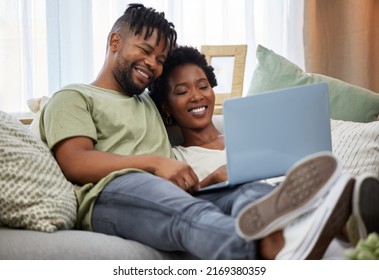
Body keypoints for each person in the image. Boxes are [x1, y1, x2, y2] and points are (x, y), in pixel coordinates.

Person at [40, 4, 354, 260]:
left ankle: (296, 241)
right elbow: (74, 160)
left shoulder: (149, 104)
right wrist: (155, 163)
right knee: (192, 216)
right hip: (111, 194)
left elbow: (189, 105)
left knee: (252, 195)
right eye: (146, 50)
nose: (152, 63)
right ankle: (271, 254)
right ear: (115, 42)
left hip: (171, 191)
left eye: (160, 59)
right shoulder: (74, 97)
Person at [149, 45, 379, 256]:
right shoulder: (177, 157)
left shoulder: (254, 133)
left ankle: (343, 222)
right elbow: (174, 206)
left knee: (327, 183)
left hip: (290, 193)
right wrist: (213, 179)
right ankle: (339, 227)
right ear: (166, 106)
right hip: (250, 212)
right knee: (252, 194)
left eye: (203, 86)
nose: (197, 96)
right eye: (182, 92)